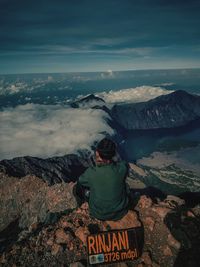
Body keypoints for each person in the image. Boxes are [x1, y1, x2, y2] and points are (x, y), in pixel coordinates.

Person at [74, 137, 129, 221]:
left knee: (77, 187)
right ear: (113, 154)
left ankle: (82, 205)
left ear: (97, 153)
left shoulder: (91, 173)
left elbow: (81, 181)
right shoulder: (122, 168)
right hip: (120, 212)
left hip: (98, 213)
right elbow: (123, 164)